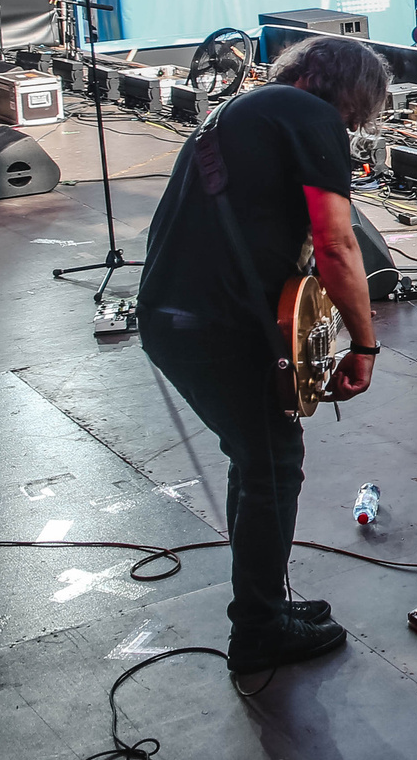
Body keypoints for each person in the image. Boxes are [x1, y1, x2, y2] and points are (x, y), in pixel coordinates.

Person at [134, 35, 388, 673]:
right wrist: (363, 342)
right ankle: (257, 630)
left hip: (177, 317)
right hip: (213, 327)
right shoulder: (310, 117)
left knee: (255, 460)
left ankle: (265, 602)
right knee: (274, 465)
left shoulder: (243, 112)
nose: (355, 125)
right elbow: (335, 244)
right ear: (349, 92)